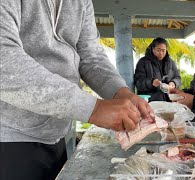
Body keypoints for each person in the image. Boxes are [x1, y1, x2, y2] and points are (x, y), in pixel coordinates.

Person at [0, 1, 154, 180]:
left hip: (56, 134)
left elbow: (90, 56)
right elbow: (4, 59)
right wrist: (94, 109)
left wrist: (121, 93)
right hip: (9, 134)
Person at [134, 37, 181, 102]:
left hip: (169, 102)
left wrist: (173, 83)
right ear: (153, 49)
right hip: (150, 102)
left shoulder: (171, 62)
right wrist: (151, 82)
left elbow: (177, 77)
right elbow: (138, 82)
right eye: (158, 50)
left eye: (163, 50)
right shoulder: (143, 62)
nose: (161, 53)